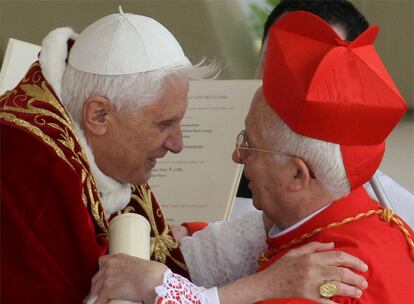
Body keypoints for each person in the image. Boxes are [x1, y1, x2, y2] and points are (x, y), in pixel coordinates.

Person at [0, 7, 367, 304]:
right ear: (99, 115)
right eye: (164, 124)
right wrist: (254, 290)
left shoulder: (91, 145)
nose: (178, 144)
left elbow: (159, 262)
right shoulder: (28, 169)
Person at [87, 8, 414, 304]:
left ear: (298, 175)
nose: (236, 156)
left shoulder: (329, 282)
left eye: (250, 144)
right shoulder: (366, 221)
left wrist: (163, 288)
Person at [237, 0, 414, 229]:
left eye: (318, 70)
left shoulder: (399, 216)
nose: (293, 89)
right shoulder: (192, 153)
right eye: (278, 64)